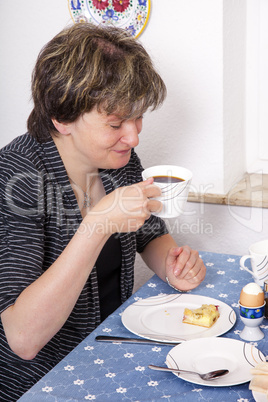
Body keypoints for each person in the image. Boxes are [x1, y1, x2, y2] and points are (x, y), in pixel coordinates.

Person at [0, 23, 206, 400]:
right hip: (43, 386)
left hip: (109, 358)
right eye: (115, 123)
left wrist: (173, 265)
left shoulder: (118, 158)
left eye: (138, 116)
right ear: (61, 118)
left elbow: (150, 234)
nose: (134, 136)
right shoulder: (16, 176)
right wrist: (97, 224)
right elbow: (22, 338)